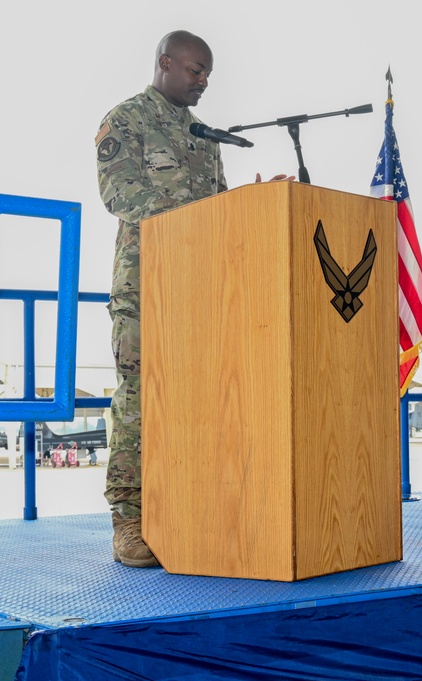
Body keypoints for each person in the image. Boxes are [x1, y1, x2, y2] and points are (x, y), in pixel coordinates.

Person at [96, 30, 290, 568]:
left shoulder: (204, 135)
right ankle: (129, 522)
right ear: (165, 63)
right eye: (195, 70)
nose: (203, 81)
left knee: (201, 399)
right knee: (139, 398)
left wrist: (248, 203)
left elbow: (216, 210)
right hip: (146, 286)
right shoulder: (127, 119)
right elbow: (121, 195)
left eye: (207, 73)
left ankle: (191, 510)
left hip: (202, 289)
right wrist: (203, 211)